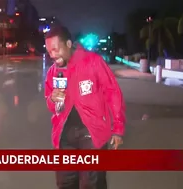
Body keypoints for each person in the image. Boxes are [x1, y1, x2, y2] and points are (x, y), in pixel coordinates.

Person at [44, 25, 126, 189]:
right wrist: (52, 99)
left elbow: (112, 92)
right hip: (64, 137)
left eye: (55, 49)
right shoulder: (53, 72)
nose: (52, 55)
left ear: (68, 44)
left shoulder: (93, 62)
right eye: (49, 51)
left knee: (92, 183)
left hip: (92, 135)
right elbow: (52, 105)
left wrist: (118, 128)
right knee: (65, 184)